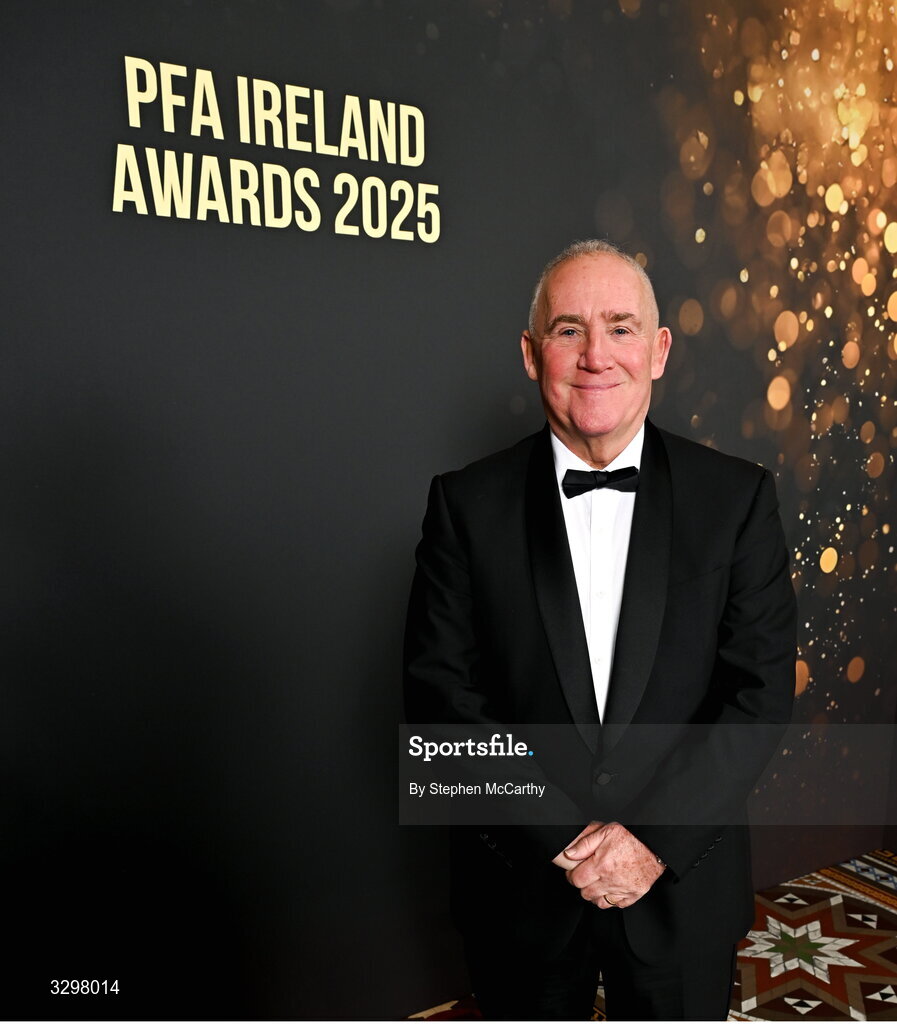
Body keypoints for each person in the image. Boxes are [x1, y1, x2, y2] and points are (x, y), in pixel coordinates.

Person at [404, 240, 796, 1020]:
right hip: (517, 889)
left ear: (657, 352)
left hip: (680, 886)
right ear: (529, 353)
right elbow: (440, 700)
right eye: (567, 330)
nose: (594, 356)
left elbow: (755, 696)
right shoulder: (464, 505)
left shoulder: (737, 500)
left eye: (619, 328)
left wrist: (650, 841)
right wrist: (562, 838)